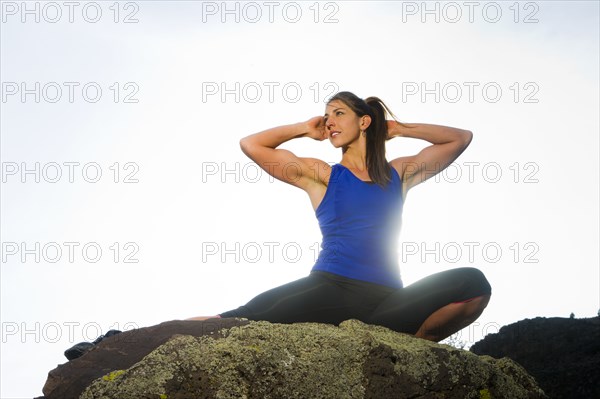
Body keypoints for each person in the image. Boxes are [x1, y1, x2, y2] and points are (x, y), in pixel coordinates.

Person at [189, 91, 491, 342]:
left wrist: (400, 129)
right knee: (238, 319)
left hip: (386, 302)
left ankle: (415, 348)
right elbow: (251, 145)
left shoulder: (398, 174)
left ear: (364, 121)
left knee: (473, 283)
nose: (328, 121)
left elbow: (460, 138)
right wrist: (304, 129)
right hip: (330, 288)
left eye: (338, 113)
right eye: (326, 115)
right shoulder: (322, 175)